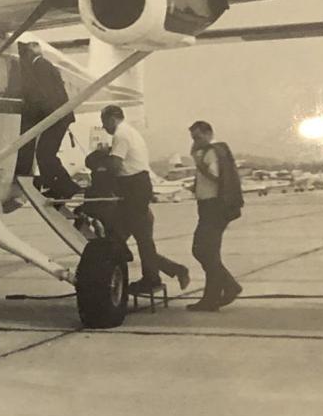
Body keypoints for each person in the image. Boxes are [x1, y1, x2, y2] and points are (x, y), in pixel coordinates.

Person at [100, 104, 188, 294]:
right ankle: (170, 270)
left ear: (112, 119)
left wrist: (101, 164)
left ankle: (152, 278)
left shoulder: (120, 135)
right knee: (133, 236)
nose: (104, 127)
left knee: (132, 237)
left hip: (132, 187)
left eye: (104, 122)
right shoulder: (131, 132)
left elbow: (115, 165)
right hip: (137, 185)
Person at [185, 120, 244, 312]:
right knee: (208, 251)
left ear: (209, 134)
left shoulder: (212, 153)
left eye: (198, 137)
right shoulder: (207, 152)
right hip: (207, 206)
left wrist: (197, 160)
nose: (196, 141)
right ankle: (214, 295)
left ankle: (226, 288)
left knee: (202, 250)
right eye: (193, 138)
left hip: (214, 207)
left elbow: (216, 177)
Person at [15, 42, 80, 198]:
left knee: (45, 154)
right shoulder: (42, 65)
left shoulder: (40, 66)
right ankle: (58, 186)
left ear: (30, 53)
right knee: (45, 153)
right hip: (57, 116)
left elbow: (46, 95)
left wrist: (35, 116)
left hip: (56, 117)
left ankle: (66, 187)